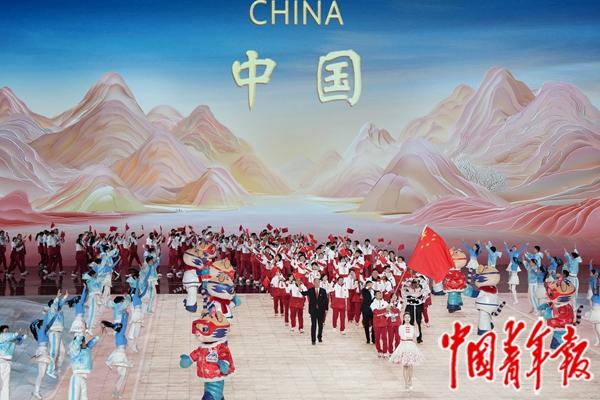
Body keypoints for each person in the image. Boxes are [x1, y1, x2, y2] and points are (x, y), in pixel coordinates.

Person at [389, 312, 424, 391]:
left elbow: (417, 335)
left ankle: (410, 381)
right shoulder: (401, 327)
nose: (407, 318)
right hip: (404, 346)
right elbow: (402, 335)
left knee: (411, 365)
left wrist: (417, 327)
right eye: (406, 317)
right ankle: (406, 383)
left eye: (408, 317)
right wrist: (408, 337)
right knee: (405, 365)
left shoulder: (412, 327)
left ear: (410, 318)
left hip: (411, 346)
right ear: (404, 319)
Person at [102, 311, 132, 399]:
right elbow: (124, 324)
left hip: (118, 354)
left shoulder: (118, 334)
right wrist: (126, 315)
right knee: (122, 376)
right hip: (120, 355)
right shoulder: (121, 333)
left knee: (121, 375)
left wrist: (123, 315)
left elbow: (122, 324)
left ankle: (116, 391)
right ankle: (116, 391)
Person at [68, 334, 100, 400]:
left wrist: (97, 338)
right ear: (80, 343)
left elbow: (92, 342)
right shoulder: (75, 351)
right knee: (74, 398)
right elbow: (76, 343)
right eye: (83, 342)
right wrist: (80, 334)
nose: (85, 343)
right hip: (76, 377)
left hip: (83, 378)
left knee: (84, 398)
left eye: (84, 341)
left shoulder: (87, 349)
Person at [0, 325, 26, 400]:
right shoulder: (1, 337)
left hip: (7, 363)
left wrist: (24, 336)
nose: (7, 332)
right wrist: (15, 334)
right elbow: (7, 336)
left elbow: (18, 341)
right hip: (1, 361)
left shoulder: (11, 339)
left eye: (8, 331)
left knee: (6, 383)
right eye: (6, 331)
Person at [301, 278, 329, 345]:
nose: (317, 283)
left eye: (318, 282)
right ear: (313, 283)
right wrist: (300, 288)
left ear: (319, 283)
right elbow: (304, 293)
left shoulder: (323, 290)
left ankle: (319, 337)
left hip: (321, 311)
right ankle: (313, 340)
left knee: (320, 325)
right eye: (315, 282)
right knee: (313, 325)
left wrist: (326, 309)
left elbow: (326, 300)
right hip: (313, 310)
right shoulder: (311, 290)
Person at [371, 290, 389, 357]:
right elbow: (375, 312)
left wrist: (386, 313)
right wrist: (384, 310)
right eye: (378, 294)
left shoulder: (385, 303)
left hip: (384, 323)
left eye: (381, 293)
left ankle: (385, 351)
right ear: (375, 295)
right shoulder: (373, 304)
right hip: (376, 323)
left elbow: (388, 313)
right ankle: (379, 350)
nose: (380, 295)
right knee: (377, 338)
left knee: (384, 338)